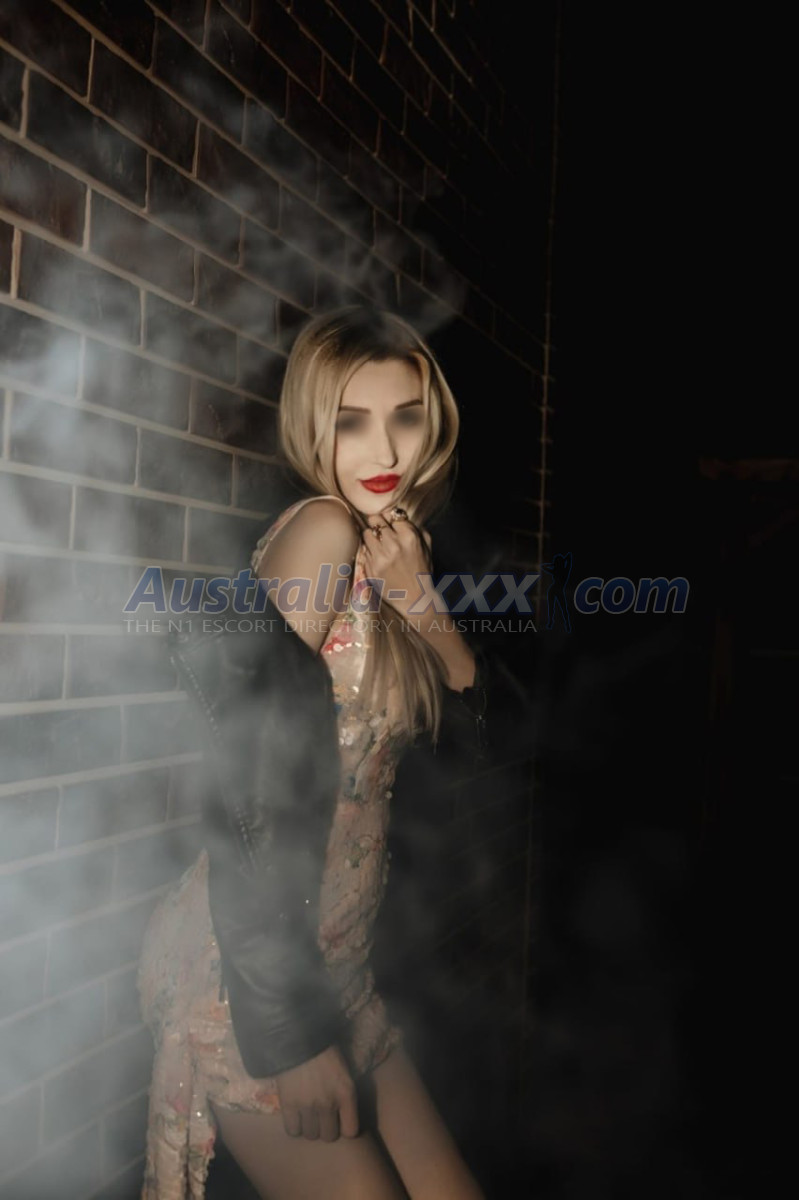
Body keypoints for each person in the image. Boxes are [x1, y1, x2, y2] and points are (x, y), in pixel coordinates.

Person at [137, 306, 489, 1199]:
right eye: (351, 422)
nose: (386, 449)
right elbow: (242, 777)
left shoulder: (394, 553)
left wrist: (423, 605)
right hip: (256, 972)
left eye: (405, 416)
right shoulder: (325, 530)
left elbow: (475, 724)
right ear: (311, 426)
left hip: (339, 962)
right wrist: (288, 1034)